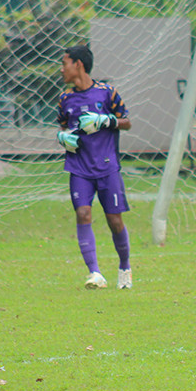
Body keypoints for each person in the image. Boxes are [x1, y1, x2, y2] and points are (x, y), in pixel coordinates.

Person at [56, 44, 134, 290]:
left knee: (115, 221)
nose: (61, 70)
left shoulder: (107, 93)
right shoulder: (65, 99)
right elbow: (62, 126)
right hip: (79, 167)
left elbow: (127, 122)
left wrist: (105, 120)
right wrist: (63, 138)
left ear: (77, 64)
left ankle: (124, 267)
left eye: (64, 63)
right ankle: (95, 273)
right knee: (83, 214)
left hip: (107, 167)